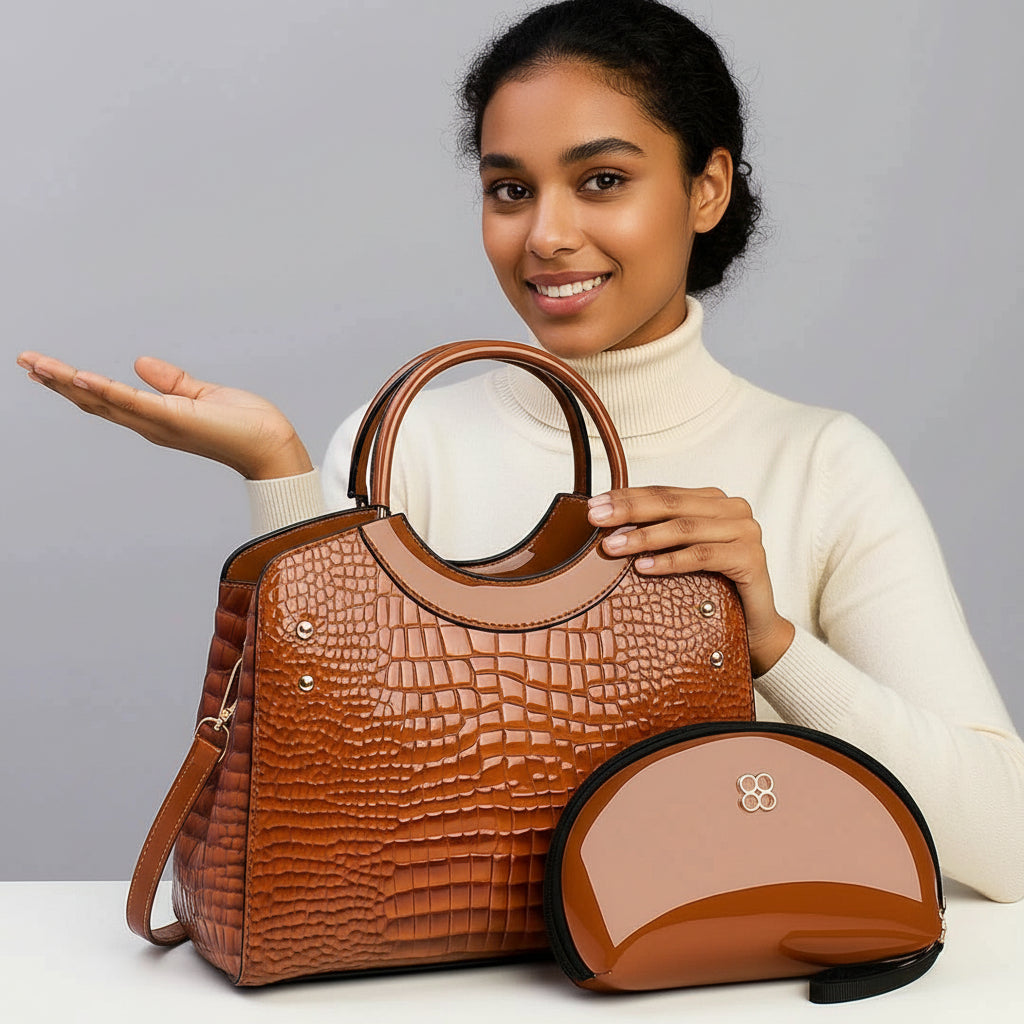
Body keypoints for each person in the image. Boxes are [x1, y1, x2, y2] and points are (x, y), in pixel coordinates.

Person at [16, 0, 1024, 901]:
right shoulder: (404, 441)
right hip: (439, 981)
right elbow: (309, 787)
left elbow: (1008, 844)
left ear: (705, 187)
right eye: (509, 190)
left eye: (601, 180)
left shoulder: (823, 465)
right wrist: (277, 470)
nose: (545, 235)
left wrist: (771, 643)